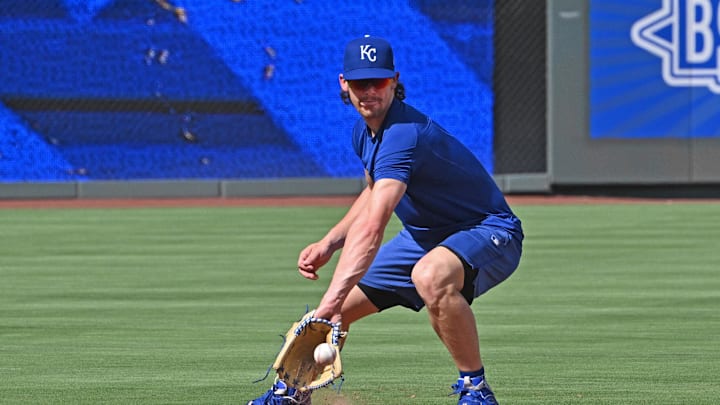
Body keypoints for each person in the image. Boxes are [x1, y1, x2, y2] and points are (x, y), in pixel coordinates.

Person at [249, 35, 523, 405]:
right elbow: (372, 193)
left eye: (377, 82)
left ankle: (476, 390)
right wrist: (330, 242)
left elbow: (375, 224)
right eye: (360, 82)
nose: (369, 91)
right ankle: (291, 394)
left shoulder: (402, 135)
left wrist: (332, 298)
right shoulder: (364, 133)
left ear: (394, 80)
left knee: (428, 276)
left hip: (488, 231)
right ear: (344, 83)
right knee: (332, 316)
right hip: (425, 238)